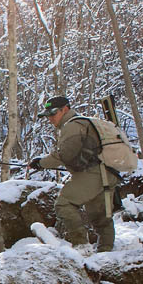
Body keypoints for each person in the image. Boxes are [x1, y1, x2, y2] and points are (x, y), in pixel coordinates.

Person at [28, 95, 119, 253]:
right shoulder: (82, 122)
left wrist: (41, 163)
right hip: (106, 173)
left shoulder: (72, 126)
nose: (50, 118)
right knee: (101, 218)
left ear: (65, 109)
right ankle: (106, 252)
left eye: (53, 113)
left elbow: (65, 155)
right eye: (48, 115)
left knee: (64, 204)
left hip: (93, 174)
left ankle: (81, 247)